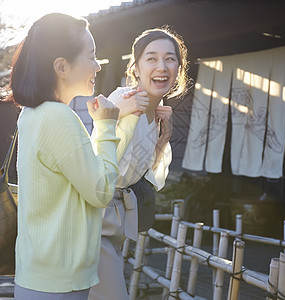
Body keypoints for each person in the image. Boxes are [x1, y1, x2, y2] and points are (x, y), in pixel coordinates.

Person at [7, 13, 140, 299]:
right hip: (59, 283)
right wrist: (105, 123)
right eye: (91, 56)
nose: (98, 65)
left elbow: (81, 171)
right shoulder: (58, 117)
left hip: (40, 276)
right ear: (61, 66)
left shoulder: (33, 113)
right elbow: (101, 190)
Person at [88, 27, 189, 300]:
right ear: (136, 67)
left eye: (170, 59)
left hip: (115, 222)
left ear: (179, 69)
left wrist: (163, 139)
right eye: (151, 58)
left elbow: (151, 179)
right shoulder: (122, 100)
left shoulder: (158, 115)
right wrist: (122, 115)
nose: (162, 66)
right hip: (92, 219)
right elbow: (97, 163)